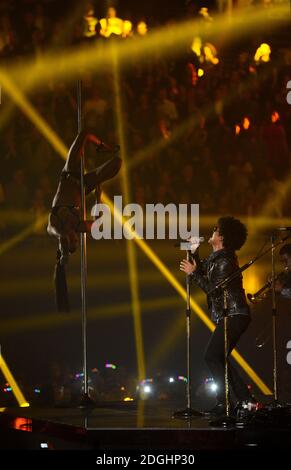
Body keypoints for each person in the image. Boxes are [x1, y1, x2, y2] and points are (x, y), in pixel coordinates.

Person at [180, 216, 253, 415]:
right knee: (219, 358)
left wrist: (193, 274)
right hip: (228, 314)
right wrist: (194, 251)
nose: (211, 231)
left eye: (215, 229)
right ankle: (245, 401)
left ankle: (225, 402)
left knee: (212, 356)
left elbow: (214, 290)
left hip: (234, 314)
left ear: (222, 237)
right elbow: (201, 269)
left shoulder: (225, 262)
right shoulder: (217, 258)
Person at [48, 128, 121, 311]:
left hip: (69, 173)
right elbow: (98, 225)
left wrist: (63, 255)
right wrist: (98, 198)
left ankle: (102, 147)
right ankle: (105, 151)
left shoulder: (55, 226)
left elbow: (61, 237)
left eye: (71, 240)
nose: (75, 237)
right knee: (117, 164)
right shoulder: (79, 227)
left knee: (84, 134)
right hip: (84, 185)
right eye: (76, 241)